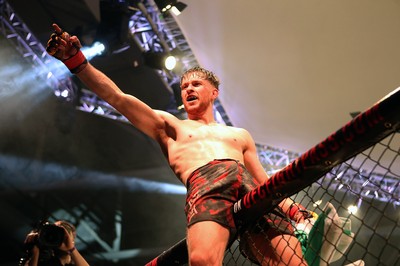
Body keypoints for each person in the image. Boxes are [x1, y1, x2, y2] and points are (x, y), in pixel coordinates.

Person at [46, 23, 307, 265]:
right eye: (184, 86)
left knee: (293, 263)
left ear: (214, 92)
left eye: (196, 84)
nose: (189, 89)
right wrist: (75, 60)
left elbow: (263, 180)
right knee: (203, 261)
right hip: (207, 185)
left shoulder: (240, 134)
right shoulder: (170, 126)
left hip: (252, 191)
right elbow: (118, 98)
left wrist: (295, 211)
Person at [22, 220, 89, 266]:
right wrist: (35, 251)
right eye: (55, 234)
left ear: (73, 240)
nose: (60, 239)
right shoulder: (44, 261)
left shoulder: (76, 263)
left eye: (65, 236)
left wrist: (71, 249)